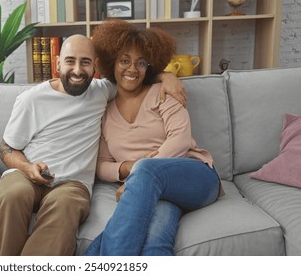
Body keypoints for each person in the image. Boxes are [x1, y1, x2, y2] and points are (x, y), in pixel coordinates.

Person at [0, 34, 186, 256]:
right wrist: (27, 168)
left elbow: (132, 74)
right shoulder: (31, 99)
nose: (78, 70)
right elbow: (6, 148)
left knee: (64, 207)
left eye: (85, 62)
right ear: (58, 62)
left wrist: (166, 76)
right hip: (25, 174)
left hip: (72, 183)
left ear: (96, 66)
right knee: (13, 195)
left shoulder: (102, 90)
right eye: (70, 61)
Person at [84, 19, 223, 256]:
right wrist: (130, 170)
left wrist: (139, 174)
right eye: (124, 61)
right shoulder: (105, 111)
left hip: (195, 177)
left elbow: (180, 139)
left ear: (150, 66)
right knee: (154, 245)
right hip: (152, 191)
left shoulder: (163, 92)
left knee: (147, 170)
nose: (132, 69)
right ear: (112, 64)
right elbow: (101, 165)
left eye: (141, 63)